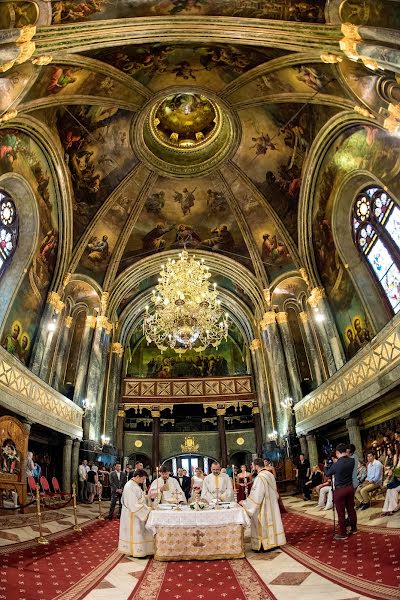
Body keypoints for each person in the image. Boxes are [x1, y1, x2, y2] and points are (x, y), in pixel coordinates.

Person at [240, 458, 286, 551]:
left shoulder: (260, 477)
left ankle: (264, 545)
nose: (252, 467)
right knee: (273, 522)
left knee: (263, 523)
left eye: (252, 466)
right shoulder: (270, 474)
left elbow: (257, 495)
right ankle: (275, 542)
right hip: (272, 503)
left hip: (264, 505)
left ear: (256, 466)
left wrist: (245, 503)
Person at [118, 468, 155, 558]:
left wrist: (148, 497)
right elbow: (133, 504)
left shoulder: (135, 485)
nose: (143, 481)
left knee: (141, 532)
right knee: (136, 532)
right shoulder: (129, 486)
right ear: (137, 476)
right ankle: (136, 551)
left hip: (137, 514)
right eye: (143, 479)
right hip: (132, 515)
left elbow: (140, 499)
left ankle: (142, 550)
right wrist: (148, 510)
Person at [324, 443, 357, 540]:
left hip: (340, 490)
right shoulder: (352, 461)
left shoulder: (336, 464)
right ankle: (354, 528)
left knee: (341, 512)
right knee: (351, 509)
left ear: (338, 452)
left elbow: (327, 474)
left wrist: (326, 466)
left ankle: (343, 533)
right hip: (350, 488)